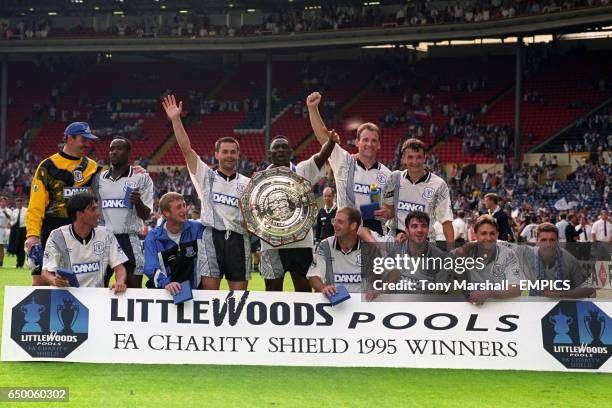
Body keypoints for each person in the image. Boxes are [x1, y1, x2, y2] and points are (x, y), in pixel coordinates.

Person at [163, 95, 249, 291]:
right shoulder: (206, 176)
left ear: (238, 154)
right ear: (216, 154)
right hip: (212, 237)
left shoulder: (248, 183)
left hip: (238, 240)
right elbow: (186, 149)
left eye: (233, 152)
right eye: (225, 151)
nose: (229, 155)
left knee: (239, 298)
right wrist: (176, 120)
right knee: (210, 296)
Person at [26, 122, 100, 285]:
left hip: (81, 233)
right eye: (83, 139)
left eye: (89, 140)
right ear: (70, 138)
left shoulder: (93, 168)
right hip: (51, 229)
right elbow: (36, 204)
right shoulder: (47, 166)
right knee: (40, 282)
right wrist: (32, 234)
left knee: (82, 283)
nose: (88, 144)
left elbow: (112, 183)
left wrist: (135, 172)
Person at [260, 134, 337, 292]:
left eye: (284, 147)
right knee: (272, 292)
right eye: (276, 147)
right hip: (271, 244)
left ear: (291, 152)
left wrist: (331, 141)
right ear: (270, 153)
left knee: (304, 292)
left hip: (301, 242)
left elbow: (322, 157)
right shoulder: (259, 179)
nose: (280, 150)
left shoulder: (302, 170)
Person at [307, 91, 391, 235]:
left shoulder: (387, 174)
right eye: (365, 140)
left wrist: (388, 212)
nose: (369, 144)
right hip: (345, 236)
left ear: (379, 145)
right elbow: (323, 137)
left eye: (373, 140)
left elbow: (391, 210)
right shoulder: (344, 162)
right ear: (357, 142)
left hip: (374, 239)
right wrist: (312, 109)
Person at [91, 137, 153, 289]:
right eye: (111, 149)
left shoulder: (141, 178)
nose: (114, 152)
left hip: (129, 239)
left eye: (119, 148)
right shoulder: (98, 179)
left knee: (133, 288)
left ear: (128, 152)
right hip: (104, 238)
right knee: (98, 288)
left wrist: (137, 201)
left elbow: (146, 215)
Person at [41, 192, 127, 293]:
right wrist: (54, 280)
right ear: (79, 214)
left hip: (96, 298)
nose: (98, 213)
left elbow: (119, 267)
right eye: (93, 209)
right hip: (67, 296)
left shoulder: (106, 234)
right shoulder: (57, 236)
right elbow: (45, 272)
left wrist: (120, 281)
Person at [379, 138, 454, 246]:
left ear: (425, 158)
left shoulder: (439, 184)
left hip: (424, 242)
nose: (415, 162)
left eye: (418, 157)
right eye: (410, 157)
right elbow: (388, 209)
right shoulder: (394, 178)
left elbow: (446, 221)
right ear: (404, 158)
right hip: (396, 240)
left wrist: (452, 252)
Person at [143, 192, 205, 294]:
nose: (184, 210)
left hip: (195, 295)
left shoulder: (198, 229)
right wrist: (166, 283)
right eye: (178, 207)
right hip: (164, 294)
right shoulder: (153, 238)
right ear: (166, 213)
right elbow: (150, 267)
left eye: (184, 206)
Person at [513, 223, 594, 299]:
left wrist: (560, 294)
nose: (548, 244)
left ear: (557, 241)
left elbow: (588, 289)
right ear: (536, 242)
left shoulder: (569, 259)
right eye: (543, 240)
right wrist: (537, 291)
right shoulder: (525, 256)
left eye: (552, 240)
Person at [453, 215, 521, 304]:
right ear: (476, 234)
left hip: (498, 308)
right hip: (469, 309)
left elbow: (517, 288)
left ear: (497, 235)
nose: (488, 238)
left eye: (492, 233)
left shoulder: (508, 254)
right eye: (483, 233)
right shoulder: (465, 252)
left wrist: (488, 293)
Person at [307, 207, 363, 295]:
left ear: (353, 226)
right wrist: (324, 288)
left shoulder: (369, 245)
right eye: (334, 221)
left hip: (363, 304)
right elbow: (313, 276)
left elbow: (387, 273)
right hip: (336, 300)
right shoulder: (325, 245)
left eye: (340, 222)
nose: (334, 225)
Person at [9, 198, 27, 268]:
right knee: (16, 246)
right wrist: (10, 224)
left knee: (21, 247)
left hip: (23, 229)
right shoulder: (14, 211)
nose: (18, 205)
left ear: (22, 204)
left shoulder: (26, 210)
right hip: (15, 230)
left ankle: (20, 264)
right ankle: (18, 262)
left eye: (19, 204)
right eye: (17, 204)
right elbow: (12, 220)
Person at [0, 197, 12, 266]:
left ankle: (1, 262)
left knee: (1, 246)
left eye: (5, 202)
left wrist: (5, 213)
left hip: (3, 229)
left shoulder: (8, 210)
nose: (3, 203)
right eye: (2, 201)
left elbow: (11, 219)